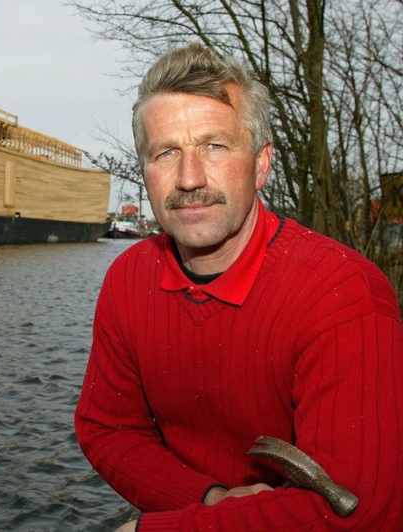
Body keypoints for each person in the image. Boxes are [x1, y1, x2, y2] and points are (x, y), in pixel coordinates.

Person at [74, 43, 403, 531]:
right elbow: (108, 428)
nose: (189, 178)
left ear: (262, 163)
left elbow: (363, 512)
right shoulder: (129, 280)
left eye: (214, 145)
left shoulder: (345, 296)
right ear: (144, 171)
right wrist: (212, 498)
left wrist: (150, 530)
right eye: (166, 152)